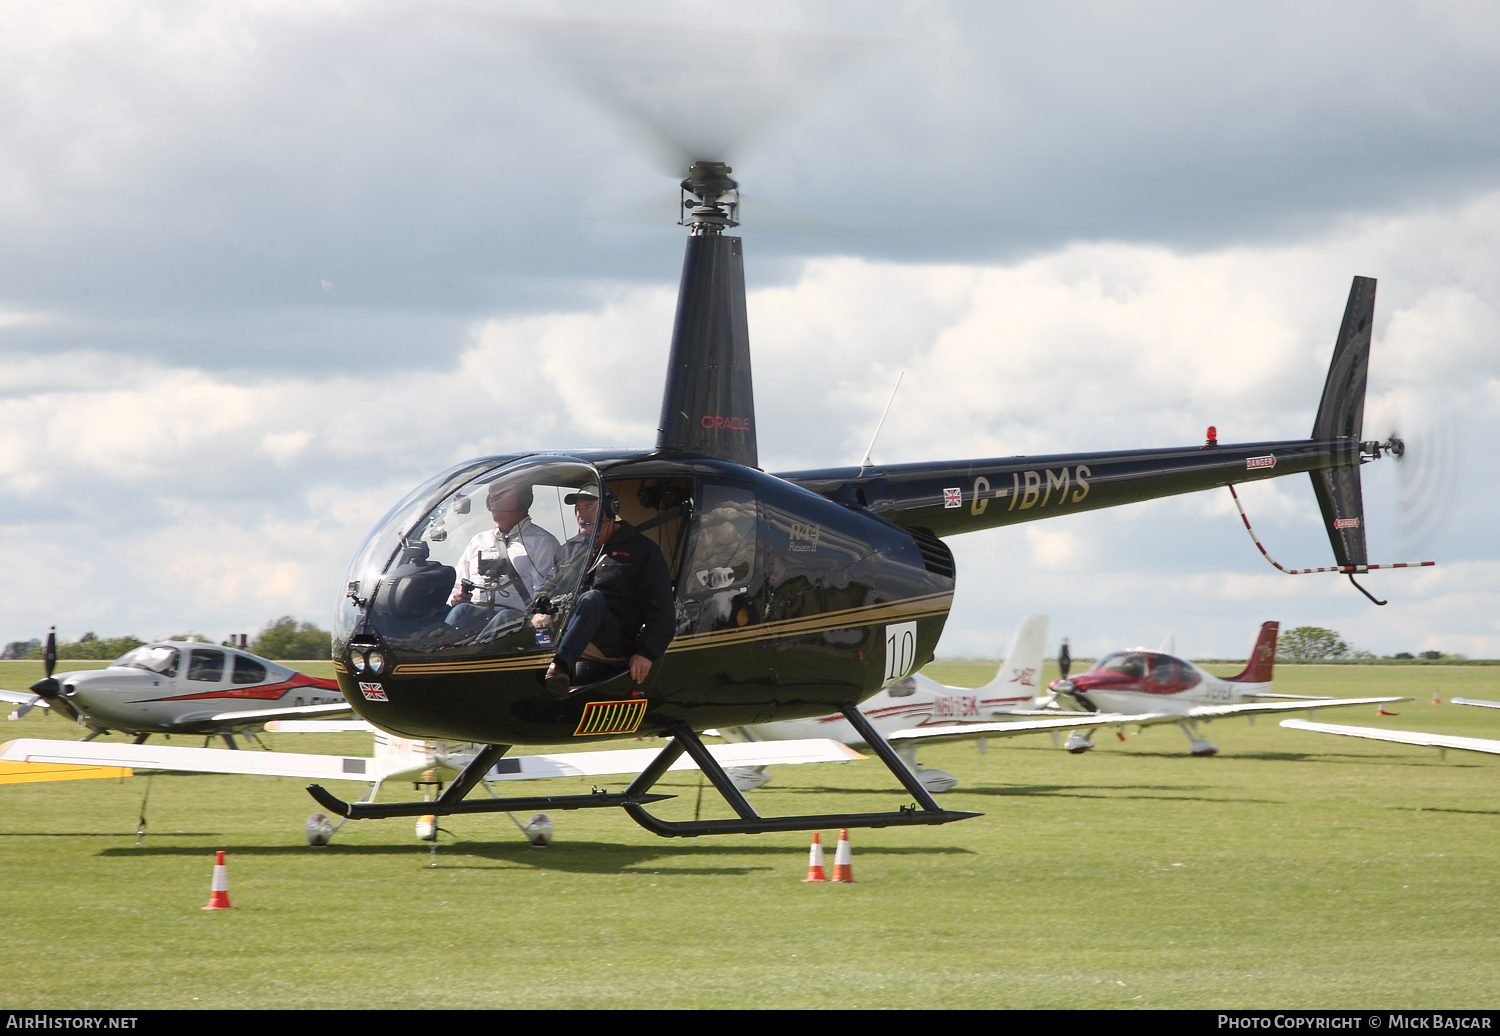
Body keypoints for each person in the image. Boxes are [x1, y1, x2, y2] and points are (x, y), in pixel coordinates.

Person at [538, 485, 674, 698]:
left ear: (611, 509)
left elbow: (663, 609)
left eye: (589, 507)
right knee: (504, 617)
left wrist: (645, 653)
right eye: (578, 508)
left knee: (592, 599)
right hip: (567, 631)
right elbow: (547, 588)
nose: (581, 514)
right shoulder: (569, 550)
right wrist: (540, 608)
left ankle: (559, 667)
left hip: (613, 641)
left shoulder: (642, 550)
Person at [446, 482, 559, 638]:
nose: (493, 500)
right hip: (476, 615)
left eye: (501, 494)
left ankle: (473, 656)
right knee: (460, 610)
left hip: (519, 620)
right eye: (491, 496)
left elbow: (545, 593)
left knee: (503, 618)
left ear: (523, 500)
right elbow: (457, 585)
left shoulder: (542, 542)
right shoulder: (478, 540)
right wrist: (457, 597)